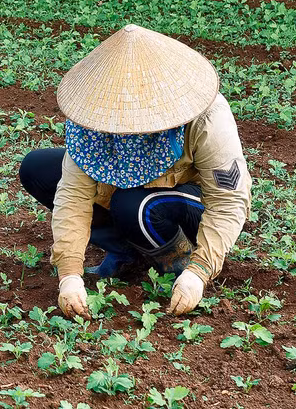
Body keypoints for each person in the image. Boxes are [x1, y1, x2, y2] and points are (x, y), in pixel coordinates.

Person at [19, 24, 251, 317]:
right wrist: (69, 273)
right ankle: (126, 252)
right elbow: (73, 194)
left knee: (133, 205)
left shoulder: (206, 117)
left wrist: (200, 271)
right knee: (38, 168)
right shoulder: (91, 118)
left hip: (188, 200)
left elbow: (228, 200)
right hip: (128, 194)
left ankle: (178, 262)